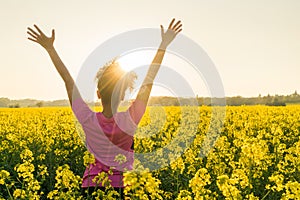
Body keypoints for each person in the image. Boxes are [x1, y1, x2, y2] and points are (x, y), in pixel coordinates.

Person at [27, 18, 182, 198]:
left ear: (99, 94)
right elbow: (149, 80)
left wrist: (50, 48)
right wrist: (163, 44)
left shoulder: (87, 119)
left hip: (92, 185)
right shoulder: (130, 119)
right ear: (124, 94)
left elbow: (68, 81)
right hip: (123, 186)